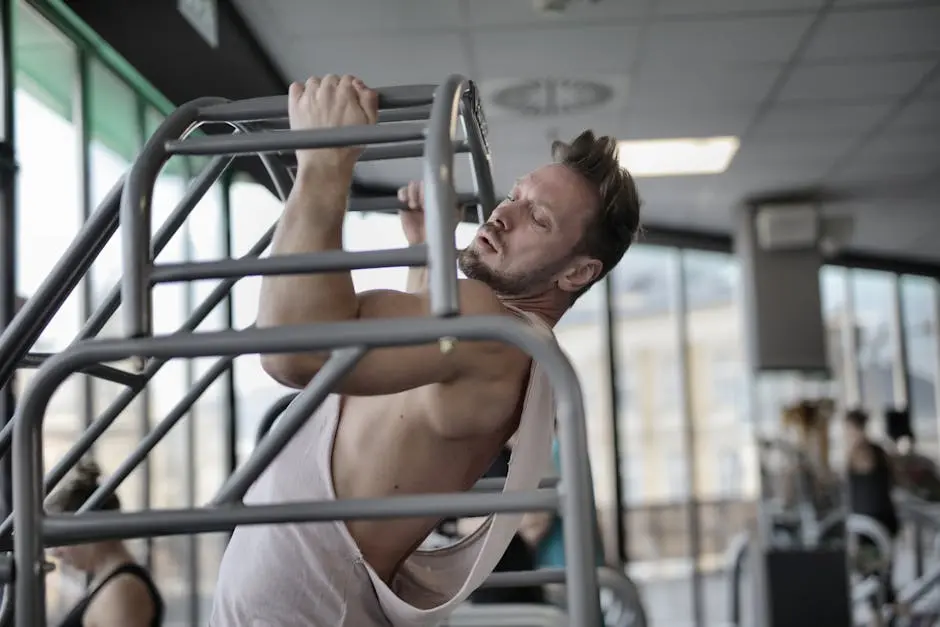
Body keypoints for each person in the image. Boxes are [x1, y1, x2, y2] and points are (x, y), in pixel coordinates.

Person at [210, 74, 641, 627]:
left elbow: (292, 351)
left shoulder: (495, 331)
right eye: (515, 194)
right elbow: (420, 387)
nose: (503, 215)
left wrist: (325, 160)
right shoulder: (502, 340)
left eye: (538, 218)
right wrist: (424, 253)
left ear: (579, 272)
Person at [44, 459, 164, 627]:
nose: (55, 552)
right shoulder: (108, 583)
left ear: (90, 529)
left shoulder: (122, 591)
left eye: (60, 539)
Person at [844, 408, 899, 622]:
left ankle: (886, 619)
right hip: (875, 523)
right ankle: (887, 617)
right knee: (879, 582)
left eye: (848, 429)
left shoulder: (864, 452)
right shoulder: (876, 450)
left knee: (876, 583)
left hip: (873, 526)